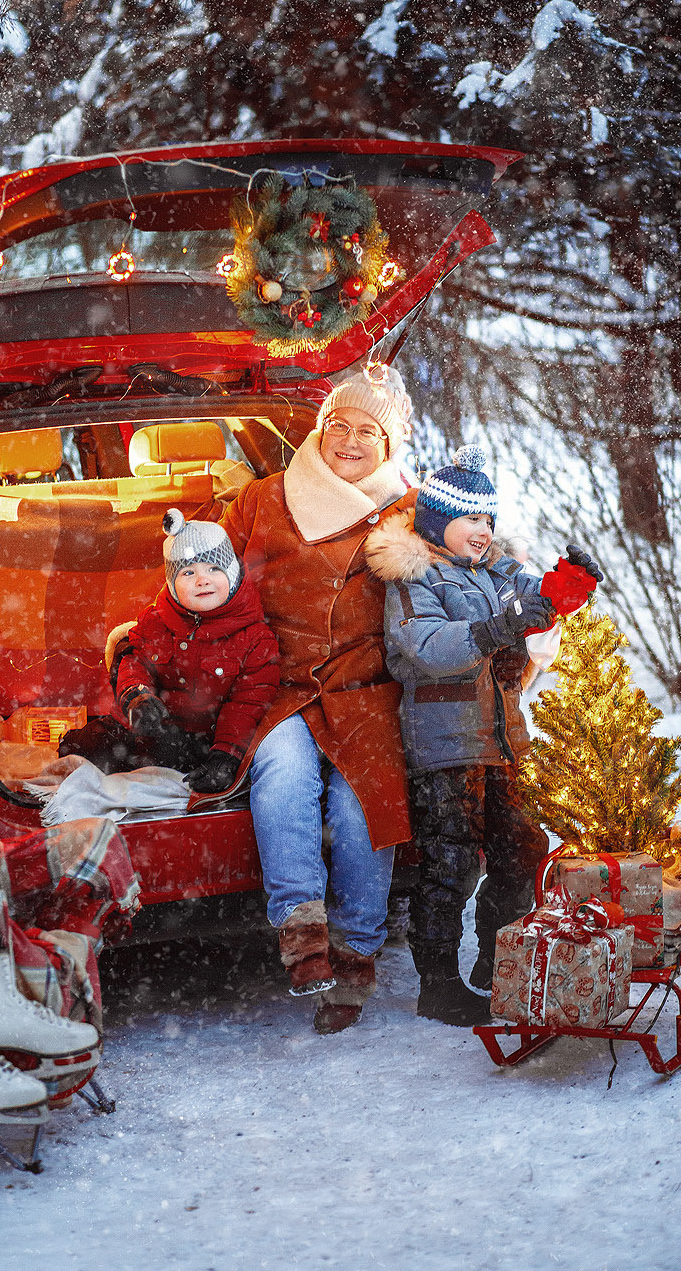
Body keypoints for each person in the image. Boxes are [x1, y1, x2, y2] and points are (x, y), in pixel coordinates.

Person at [365, 445, 604, 1025]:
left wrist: (564, 588)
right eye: (470, 517)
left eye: (489, 519)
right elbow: (427, 647)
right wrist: (497, 628)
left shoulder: (495, 569)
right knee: (450, 864)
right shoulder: (414, 578)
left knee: (522, 849)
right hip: (445, 746)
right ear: (436, 521)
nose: (484, 530)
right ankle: (438, 983)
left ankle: (500, 961)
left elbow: (533, 599)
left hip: (503, 741)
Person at [218, 364, 415, 1035]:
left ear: (388, 445)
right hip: (279, 686)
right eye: (339, 425)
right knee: (283, 773)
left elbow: (465, 573)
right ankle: (301, 935)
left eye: (368, 431)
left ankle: (356, 955)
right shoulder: (262, 499)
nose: (350, 441)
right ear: (320, 429)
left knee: (362, 806)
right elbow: (209, 584)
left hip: (367, 694)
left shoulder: (409, 512)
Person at [104, 510, 281, 797]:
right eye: (188, 573)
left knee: (181, 767)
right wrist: (137, 695)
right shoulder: (156, 620)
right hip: (156, 733)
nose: (202, 580)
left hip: (208, 743)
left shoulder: (254, 638)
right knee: (88, 747)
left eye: (214, 569)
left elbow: (248, 704)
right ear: (172, 584)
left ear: (232, 574)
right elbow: (135, 661)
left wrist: (226, 755)